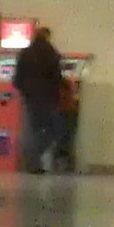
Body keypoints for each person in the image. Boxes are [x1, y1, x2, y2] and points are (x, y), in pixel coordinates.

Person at [12, 26, 67, 175]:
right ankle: (35, 157)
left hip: (29, 98)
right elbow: (57, 78)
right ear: (48, 37)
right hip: (48, 99)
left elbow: (16, 79)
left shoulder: (24, 53)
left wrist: (25, 91)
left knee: (31, 130)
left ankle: (31, 161)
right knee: (55, 129)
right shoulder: (52, 54)